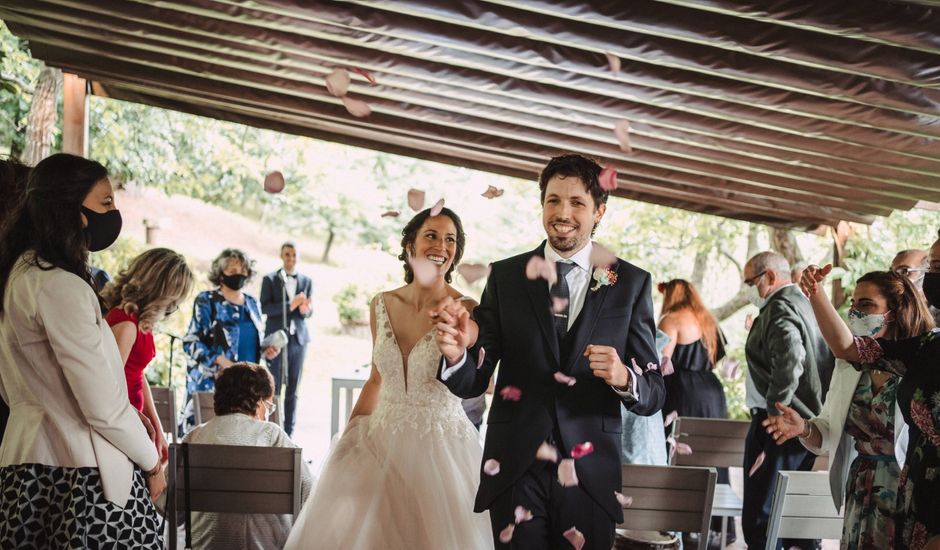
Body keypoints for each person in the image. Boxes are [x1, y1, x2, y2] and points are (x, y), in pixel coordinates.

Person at [434, 154, 665, 549]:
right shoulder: (506, 277)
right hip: (515, 467)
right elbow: (475, 377)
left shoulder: (631, 283)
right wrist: (456, 356)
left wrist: (625, 377)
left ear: (599, 212)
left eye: (577, 203)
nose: (563, 212)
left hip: (591, 473)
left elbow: (655, 393)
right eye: (553, 200)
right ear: (542, 205)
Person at [285, 207, 492, 549]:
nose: (441, 245)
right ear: (410, 244)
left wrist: (461, 335)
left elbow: (470, 340)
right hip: (379, 443)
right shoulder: (380, 304)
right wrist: (347, 439)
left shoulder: (465, 308)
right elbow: (377, 380)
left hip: (442, 452)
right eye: (431, 235)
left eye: (450, 239)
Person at [0, 153, 164, 547]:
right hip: (79, 479)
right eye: (105, 203)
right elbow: (102, 406)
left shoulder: (19, 275)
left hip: (25, 463)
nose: (114, 213)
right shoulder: (60, 285)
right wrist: (151, 460)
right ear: (70, 210)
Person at [764, 271, 933, 549]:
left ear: (895, 311)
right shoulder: (849, 367)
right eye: (853, 304)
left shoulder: (922, 363)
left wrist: (816, 293)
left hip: (910, 486)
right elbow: (827, 434)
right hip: (861, 485)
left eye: (866, 305)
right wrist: (804, 428)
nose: (855, 312)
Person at [800, 230, 940, 550]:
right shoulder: (925, 350)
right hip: (889, 491)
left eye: (936, 268)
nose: (856, 313)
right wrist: (815, 292)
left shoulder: (924, 351)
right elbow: (846, 348)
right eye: (932, 268)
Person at [740, 250, 833, 550]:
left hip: (781, 422)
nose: (746, 289)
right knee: (792, 515)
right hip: (803, 421)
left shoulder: (780, 307)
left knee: (762, 514)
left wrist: (775, 410)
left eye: (748, 281)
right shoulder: (800, 303)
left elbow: (791, 358)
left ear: (769, 276)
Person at [182, 362, 313, 550]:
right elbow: (308, 493)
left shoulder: (193, 437)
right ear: (259, 403)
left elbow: (170, 507)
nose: (268, 414)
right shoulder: (272, 435)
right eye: (269, 407)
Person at [657, 278, 733, 546]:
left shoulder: (671, 319)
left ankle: (681, 522)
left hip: (683, 391)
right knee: (711, 454)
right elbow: (721, 359)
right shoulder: (707, 320)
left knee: (679, 451)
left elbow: (661, 362)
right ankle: (712, 527)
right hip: (712, 391)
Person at [102, 247, 194, 462]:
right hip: (122, 428)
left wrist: (157, 427)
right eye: (175, 298)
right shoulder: (126, 325)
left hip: (135, 421)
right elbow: (107, 388)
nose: (175, 306)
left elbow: (136, 373)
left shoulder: (139, 321)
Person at [182, 248, 276, 432]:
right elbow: (191, 342)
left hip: (248, 390)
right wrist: (218, 359)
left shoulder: (252, 303)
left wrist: (267, 351)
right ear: (220, 274)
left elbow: (255, 341)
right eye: (232, 271)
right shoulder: (207, 300)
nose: (239, 275)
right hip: (214, 386)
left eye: (243, 271)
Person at [259, 241, 312, 437]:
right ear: (282, 256)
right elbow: (264, 308)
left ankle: (289, 434)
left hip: (299, 340)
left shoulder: (306, 280)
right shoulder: (270, 279)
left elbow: (307, 312)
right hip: (276, 340)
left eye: (294, 255)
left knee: (293, 389)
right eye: (287, 254)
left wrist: (305, 309)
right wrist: (290, 304)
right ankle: (272, 431)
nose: (291, 258)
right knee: (273, 386)